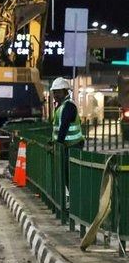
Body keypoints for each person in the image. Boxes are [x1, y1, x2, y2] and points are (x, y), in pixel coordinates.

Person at [50, 77, 84, 208]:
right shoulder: (61, 106)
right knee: (65, 173)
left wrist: (58, 143)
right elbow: (57, 127)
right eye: (54, 92)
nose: (55, 95)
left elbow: (64, 126)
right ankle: (70, 199)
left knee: (70, 175)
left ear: (64, 91)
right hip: (66, 146)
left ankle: (73, 201)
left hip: (72, 146)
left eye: (57, 92)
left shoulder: (68, 106)